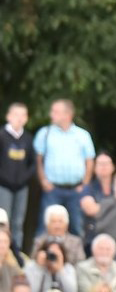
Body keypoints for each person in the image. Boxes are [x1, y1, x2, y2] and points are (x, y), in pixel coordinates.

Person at [35, 99, 96, 237]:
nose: (51, 115)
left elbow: (90, 161)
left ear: (67, 115)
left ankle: (77, 258)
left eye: (56, 112)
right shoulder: (45, 133)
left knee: (77, 227)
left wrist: (84, 184)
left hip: (76, 190)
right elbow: (38, 160)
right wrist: (43, 180)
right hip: (52, 190)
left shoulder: (82, 135)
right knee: (45, 228)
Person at [1, 103, 38, 249]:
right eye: (16, 114)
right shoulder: (2, 135)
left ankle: (16, 253)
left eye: (23, 115)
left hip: (22, 187)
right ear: (8, 116)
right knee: (4, 221)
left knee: (18, 222)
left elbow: (33, 163)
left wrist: (24, 179)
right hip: (3, 186)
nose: (19, 118)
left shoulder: (27, 139)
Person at [78, 152, 116, 242]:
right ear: (94, 168)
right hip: (93, 234)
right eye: (100, 164)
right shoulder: (88, 188)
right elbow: (91, 210)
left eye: (106, 163)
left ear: (113, 167)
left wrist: (100, 207)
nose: (103, 166)